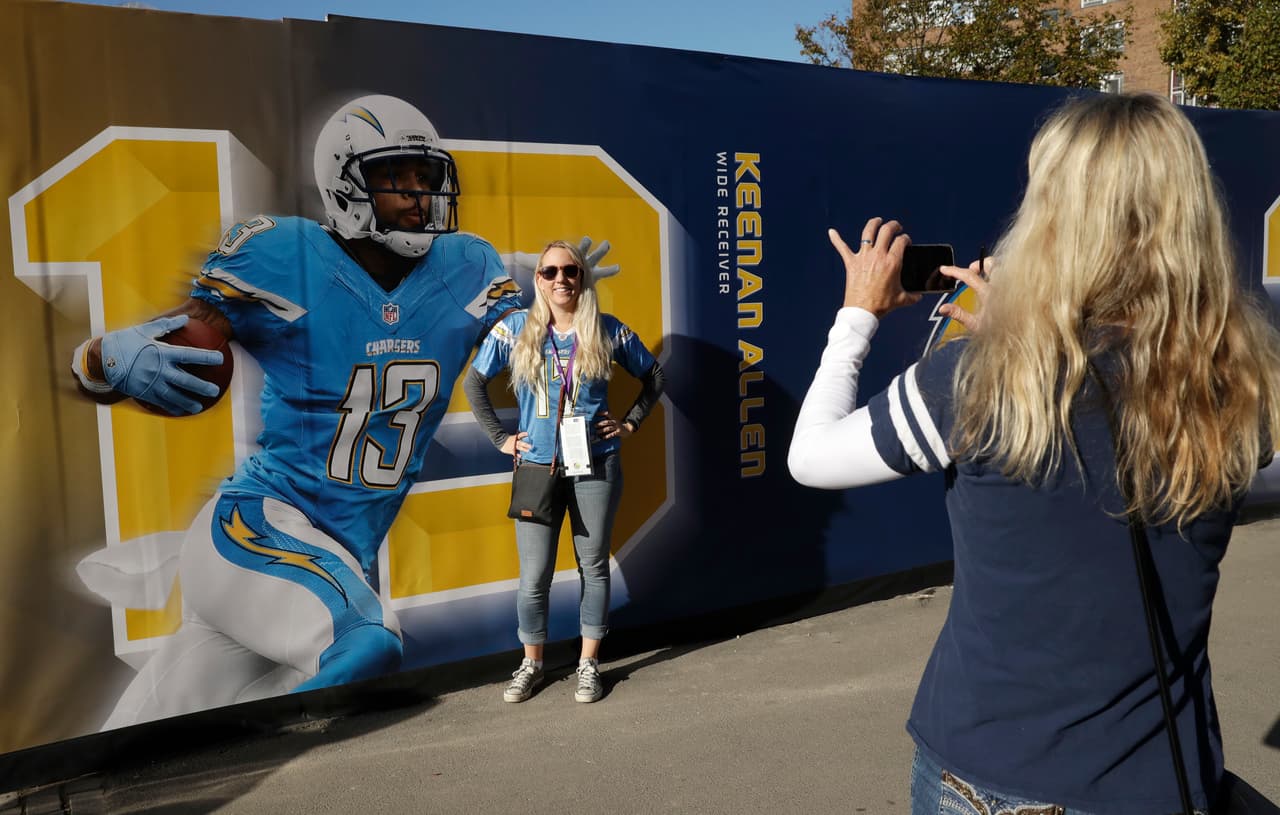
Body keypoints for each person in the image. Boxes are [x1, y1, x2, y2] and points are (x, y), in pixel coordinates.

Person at [788, 93, 1280, 814]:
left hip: (977, 774)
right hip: (1154, 781)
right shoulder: (1241, 388)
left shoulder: (977, 381)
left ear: (1051, 215)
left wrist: (858, 313)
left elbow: (812, 456)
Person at [70, 94, 609, 728]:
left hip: (313, 562)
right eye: (395, 178)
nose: (417, 196)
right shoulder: (285, 257)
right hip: (258, 527)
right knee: (366, 639)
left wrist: (558, 290)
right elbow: (182, 338)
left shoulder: (466, 266)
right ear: (346, 184)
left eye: (425, 177)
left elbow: (520, 328)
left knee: (135, 742)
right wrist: (99, 358)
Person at [464, 239, 665, 704]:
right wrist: (501, 438)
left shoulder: (606, 330)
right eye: (550, 271)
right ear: (538, 279)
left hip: (596, 464)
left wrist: (630, 422)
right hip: (536, 467)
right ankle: (531, 662)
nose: (561, 280)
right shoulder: (515, 328)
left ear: (582, 278)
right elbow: (475, 381)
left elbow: (655, 377)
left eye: (570, 271)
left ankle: (588, 664)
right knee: (534, 575)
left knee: (592, 566)